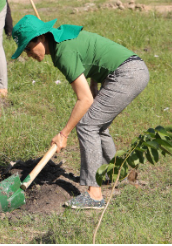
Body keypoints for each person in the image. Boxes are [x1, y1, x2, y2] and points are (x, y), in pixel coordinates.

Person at [10, 15, 149, 210]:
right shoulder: (62, 38)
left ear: (40, 38)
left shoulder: (63, 52)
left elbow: (84, 100)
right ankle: (119, 173)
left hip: (127, 74)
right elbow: (92, 57)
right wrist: (94, 84)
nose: (28, 54)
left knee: (87, 125)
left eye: (27, 48)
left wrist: (63, 134)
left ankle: (94, 195)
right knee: (96, 124)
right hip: (131, 70)